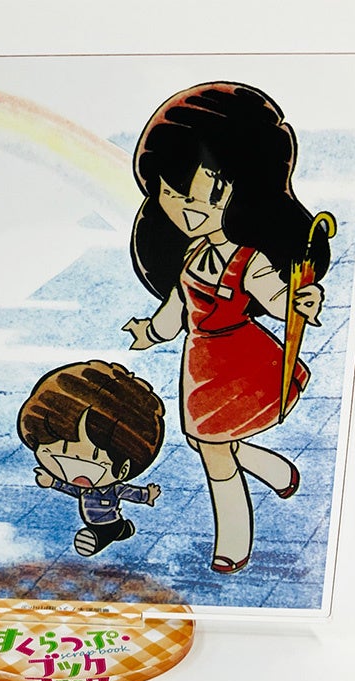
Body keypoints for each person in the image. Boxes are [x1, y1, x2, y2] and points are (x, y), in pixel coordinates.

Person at [123, 82, 331, 574]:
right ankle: (276, 470)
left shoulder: (247, 260)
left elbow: (277, 299)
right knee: (206, 441)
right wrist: (149, 332)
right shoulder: (191, 254)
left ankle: (232, 543)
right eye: (173, 194)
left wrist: (300, 301)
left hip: (238, 363)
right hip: (201, 366)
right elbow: (177, 308)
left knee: (214, 451)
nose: (189, 210)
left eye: (210, 196)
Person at [17, 360, 164, 556]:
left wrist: (147, 495)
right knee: (120, 531)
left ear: (124, 468)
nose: (74, 468)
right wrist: (52, 481)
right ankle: (125, 530)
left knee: (106, 534)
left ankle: (106, 537)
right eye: (60, 452)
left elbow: (129, 492)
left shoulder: (112, 488)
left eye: (94, 456)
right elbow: (70, 488)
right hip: (94, 520)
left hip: (108, 523)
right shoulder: (86, 488)